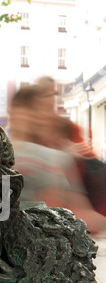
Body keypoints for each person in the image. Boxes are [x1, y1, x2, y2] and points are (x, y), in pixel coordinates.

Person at [8, 85, 106, 235]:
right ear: (16, 112)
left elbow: (80, 213)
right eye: (36, 108)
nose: (45, 116)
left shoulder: (58, 159)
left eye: (48, 109)